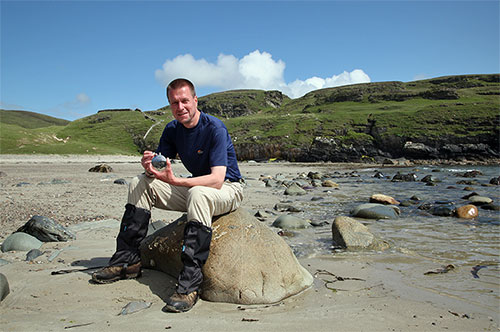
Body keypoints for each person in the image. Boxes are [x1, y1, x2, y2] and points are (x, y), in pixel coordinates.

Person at [91, 78, 244, 313]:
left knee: (199, 193)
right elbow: (160, 170)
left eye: (184, 101)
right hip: (196, 189)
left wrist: (178, 181)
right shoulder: (172, 129)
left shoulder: (214, 128)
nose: (180, 107)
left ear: (195, 100)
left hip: (228, 189)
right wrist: (149, 168)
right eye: (174, 103)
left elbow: (217, 179)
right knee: (139, 182)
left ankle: (190, 284)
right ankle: (128, 261)